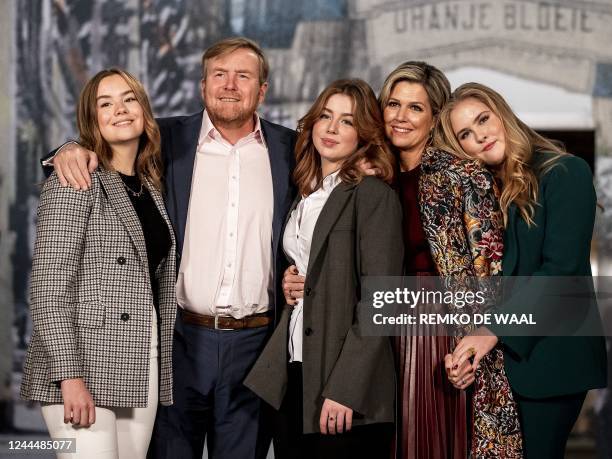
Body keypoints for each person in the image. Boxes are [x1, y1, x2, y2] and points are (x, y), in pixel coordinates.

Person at [43, 37, 297, 459]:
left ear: (263, 89)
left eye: (243, 76)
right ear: (202, 86)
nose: (229, 85)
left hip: (255, 347)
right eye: (219, 74)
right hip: (175, 342)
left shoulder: (291, 150)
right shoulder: (166, 140)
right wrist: (65, 150)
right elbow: (107, 140)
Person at [283, 62, 522, 457]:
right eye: (393, 104)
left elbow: (491, 271)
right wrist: (298, 280)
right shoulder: (373, 178)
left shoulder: (462, 175)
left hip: (441, 331)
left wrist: (476, 338)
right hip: (383, 332)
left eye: (415, 108)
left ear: (435, 117)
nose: (401, 116)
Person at [436, 82, 608, 458]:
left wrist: (490, 332)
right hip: (504, 364)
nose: (479, 135)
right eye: (465, 133)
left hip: (550, 362)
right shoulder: (482, 192)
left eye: (483, 119)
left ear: (502, 113)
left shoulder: (565, 172)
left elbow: (560, 272)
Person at [21, 68, 176, 458]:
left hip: (140, 358)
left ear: (144, 108)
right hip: (82, 361)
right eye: (105, 104)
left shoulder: (151, 186)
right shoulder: (74, 178)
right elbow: (47, 288)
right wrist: (69, 377)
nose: (120, 110)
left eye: (129, 99)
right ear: (92, 119)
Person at [244, 78, 402, 459]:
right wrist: (289, 280)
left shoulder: (372, 194)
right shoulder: (306, 192)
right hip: (296, 372)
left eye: (347, 121)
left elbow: (382, 302)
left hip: (344, 387)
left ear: (364, 134)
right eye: (326, 116)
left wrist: (346, 389)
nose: (332, 128)